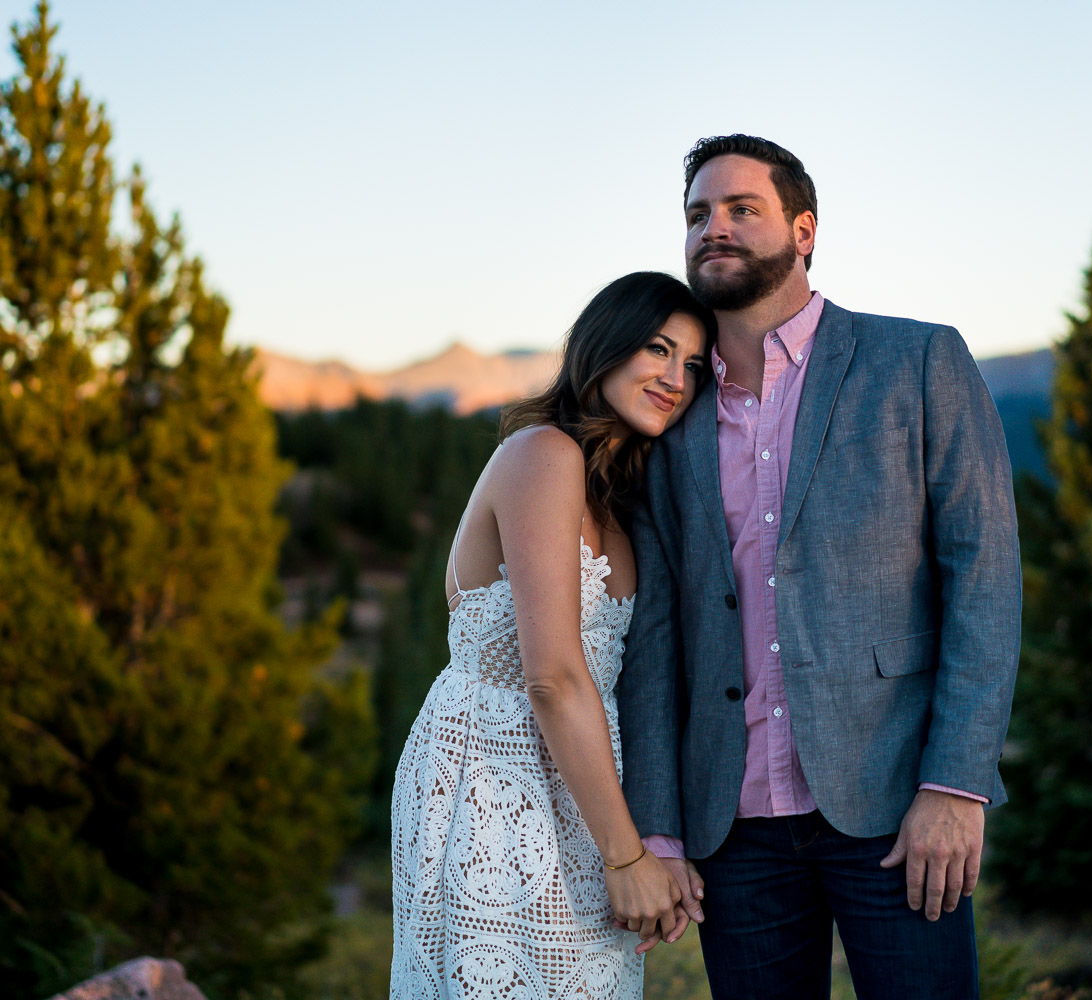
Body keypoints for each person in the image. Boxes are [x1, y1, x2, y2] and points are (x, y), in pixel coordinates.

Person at [617, 135, 1022, 1000]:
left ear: (803, 231)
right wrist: (655, 827)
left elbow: (983, 579)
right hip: (734, 828)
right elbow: (655, 636)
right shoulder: (668, 409)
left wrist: (955, 786)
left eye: (740, 209)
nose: (711, 229)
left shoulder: (916, 361)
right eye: (696, 214)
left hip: (898, 807)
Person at [390, 271, 717, 998]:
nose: (674, 378)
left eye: (692, 365)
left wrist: (650, 840)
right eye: (657, 350)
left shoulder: (620, 488)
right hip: (489, 783)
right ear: (604, 347)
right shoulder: (542, 454)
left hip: (584, 793)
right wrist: (627, 858)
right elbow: (554, 676)